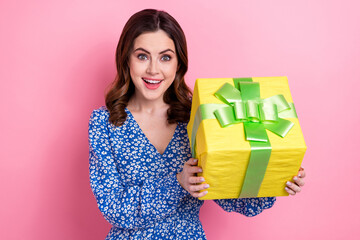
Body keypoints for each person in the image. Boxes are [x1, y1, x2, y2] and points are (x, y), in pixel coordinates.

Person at [88, 9, 306, 239]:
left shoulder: (199, 117)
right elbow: (114, 209)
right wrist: (177, 183)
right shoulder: (104, 123)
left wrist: (276, 178)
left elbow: (235, 199)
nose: (153, 69)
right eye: (142, 56)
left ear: (178, 64)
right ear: (126, 59)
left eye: (165, 57)